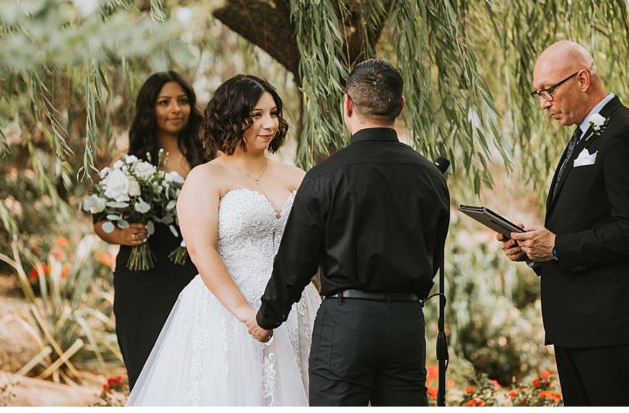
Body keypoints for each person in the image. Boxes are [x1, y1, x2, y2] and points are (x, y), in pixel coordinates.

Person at [251, 59, 450, 406]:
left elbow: (295, 260)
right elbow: (433, 251)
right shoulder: (430, 177)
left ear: (347, 105)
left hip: (345, 321)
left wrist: (269, 316)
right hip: (405, 321)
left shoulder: (325, 176)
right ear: (400, 105)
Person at [127, 74, 320, 405]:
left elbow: (315, 244)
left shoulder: (295, 175)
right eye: (256, 115)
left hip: (296, 306)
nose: (269, 123)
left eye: (273, 113)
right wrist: (246, 314)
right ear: (231, 118)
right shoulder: (206, 177)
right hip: (228, 309)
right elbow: (202, 251)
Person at [497, 41, 629, 406]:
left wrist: (556, 246)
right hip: (579, 324)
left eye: (548, 91)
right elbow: (583, 221)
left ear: (583, 78)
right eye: (538, 94)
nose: (543, 104)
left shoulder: (625, 133)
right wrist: (533, 249)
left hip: (609, 325)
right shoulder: (587, 133)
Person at [91, 71, 211, 389]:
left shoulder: (208, 158)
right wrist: (121, 235)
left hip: (195, 277)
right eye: (164, 102)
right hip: (141, 281)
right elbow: (100, 220)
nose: (176, 109)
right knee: (145, 370)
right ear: (150, 109)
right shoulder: (130, 162)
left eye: (182, 101)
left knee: (194, 373)